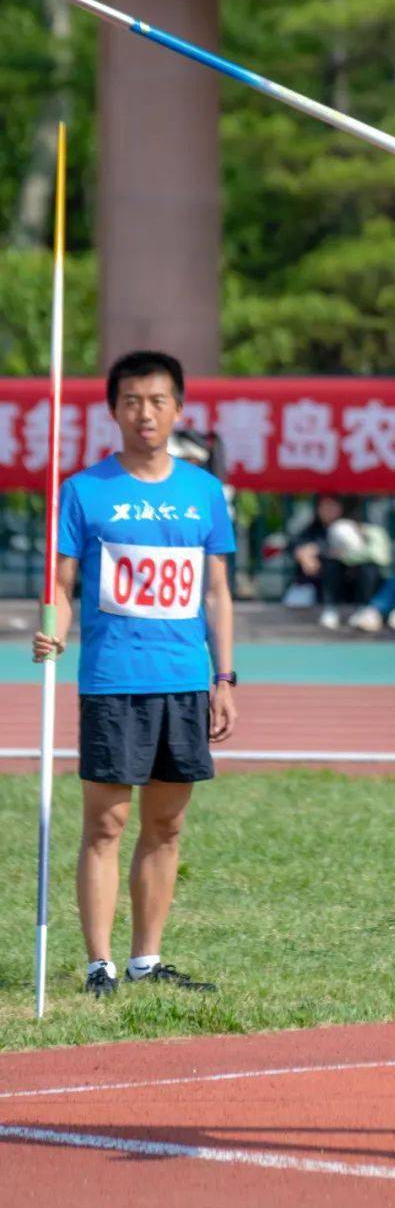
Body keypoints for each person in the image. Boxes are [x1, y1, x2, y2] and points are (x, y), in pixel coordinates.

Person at [32, 350, 237, 995]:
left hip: (183, 678)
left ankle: (147, 959)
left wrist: (224, 677)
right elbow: (63, 586)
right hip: (113, 680)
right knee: (107, 824)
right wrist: (54, 631)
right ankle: (101, 965)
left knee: (167, 824)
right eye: (130, 401)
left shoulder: (204, 492)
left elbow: (216, 592)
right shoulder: (85, 491)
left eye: (156, 401)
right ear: (113, 409)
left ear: (178, 409)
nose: (144, 413)